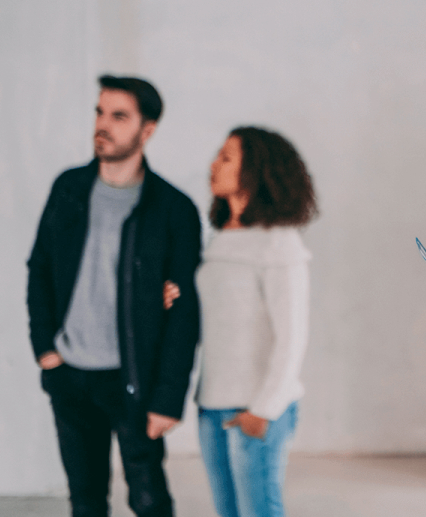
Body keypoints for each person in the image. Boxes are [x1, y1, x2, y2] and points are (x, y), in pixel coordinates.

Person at [27, 75, 202, 517]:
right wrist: (46, 351)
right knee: (85, 501)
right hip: (70, 375)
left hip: (134, 380)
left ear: (147, 130)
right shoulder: (68, 189)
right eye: (100, 112)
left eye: (118, 116)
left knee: (149, 500)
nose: (102, 124)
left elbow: (184, 314)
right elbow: (40, 271)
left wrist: (168, 398)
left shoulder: (172, 209)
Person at [163, 126, 316, 517]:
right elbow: (216, 312)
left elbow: (292, 336)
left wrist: (263, 409)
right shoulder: (219, 238)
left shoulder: (279, 242)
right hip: (212, 404)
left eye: (227, 157)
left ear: (257, 170)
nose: (214, 164)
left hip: (257, 407)